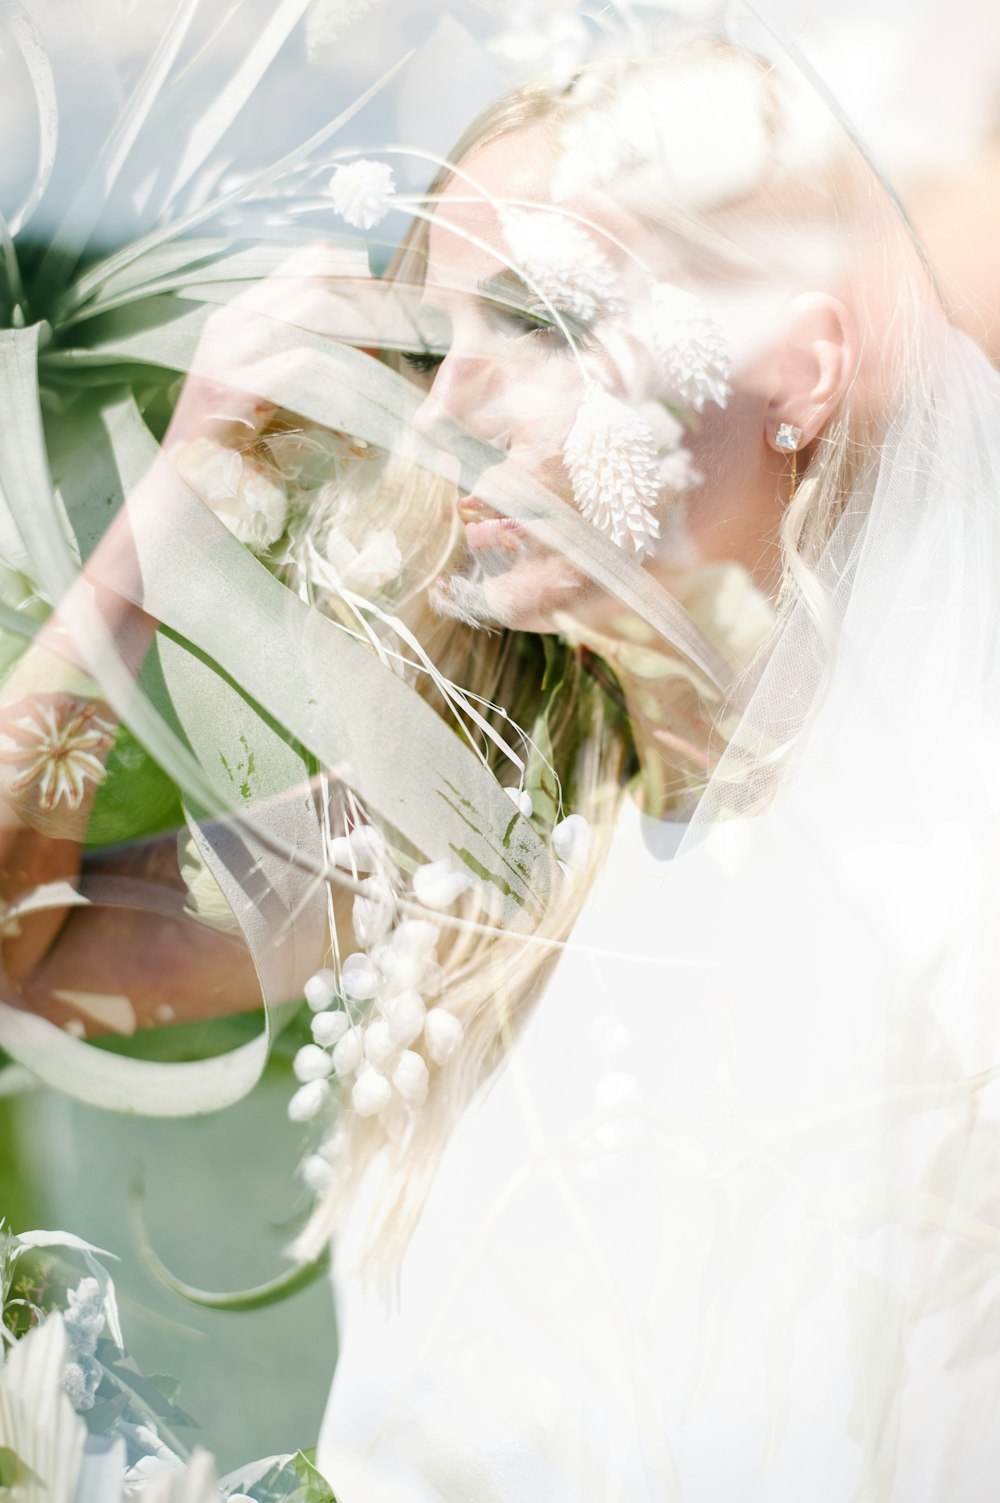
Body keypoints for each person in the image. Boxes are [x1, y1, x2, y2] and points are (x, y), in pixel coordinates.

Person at [1, 12, 999, 1501]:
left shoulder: (952, 870)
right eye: (431, 342)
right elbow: (29, 947)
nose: (448, 409)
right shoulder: (465, 832)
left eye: (538, 320)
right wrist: (170, 519)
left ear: (800, 371)